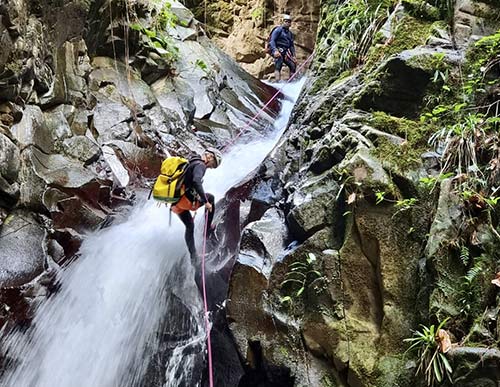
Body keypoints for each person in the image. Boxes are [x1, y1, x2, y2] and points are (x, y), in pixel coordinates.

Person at [171, 147, 222, 264]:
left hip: (175, 203)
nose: (210, 167)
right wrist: (205, 202)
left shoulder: (192, 160)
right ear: (210, 157)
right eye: (212, 165)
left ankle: (193, 256)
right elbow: (196, 181)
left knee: (189, 226)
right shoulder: (201, 165)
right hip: (185, 201)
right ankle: (207, 229)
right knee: (211, 198)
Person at [269, 14, 297, 82]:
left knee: (292, 65)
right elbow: (272, 41)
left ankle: (291, 81)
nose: (287, 23)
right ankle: (277, 81)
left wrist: (293, 56)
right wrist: (275, 50)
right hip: (277, 49)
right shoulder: (278, 30)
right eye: (286, 21)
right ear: (283, 22)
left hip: (285, 51)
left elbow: (291, 45)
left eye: (289, 22)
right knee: (279, 62)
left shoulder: (289, 34)